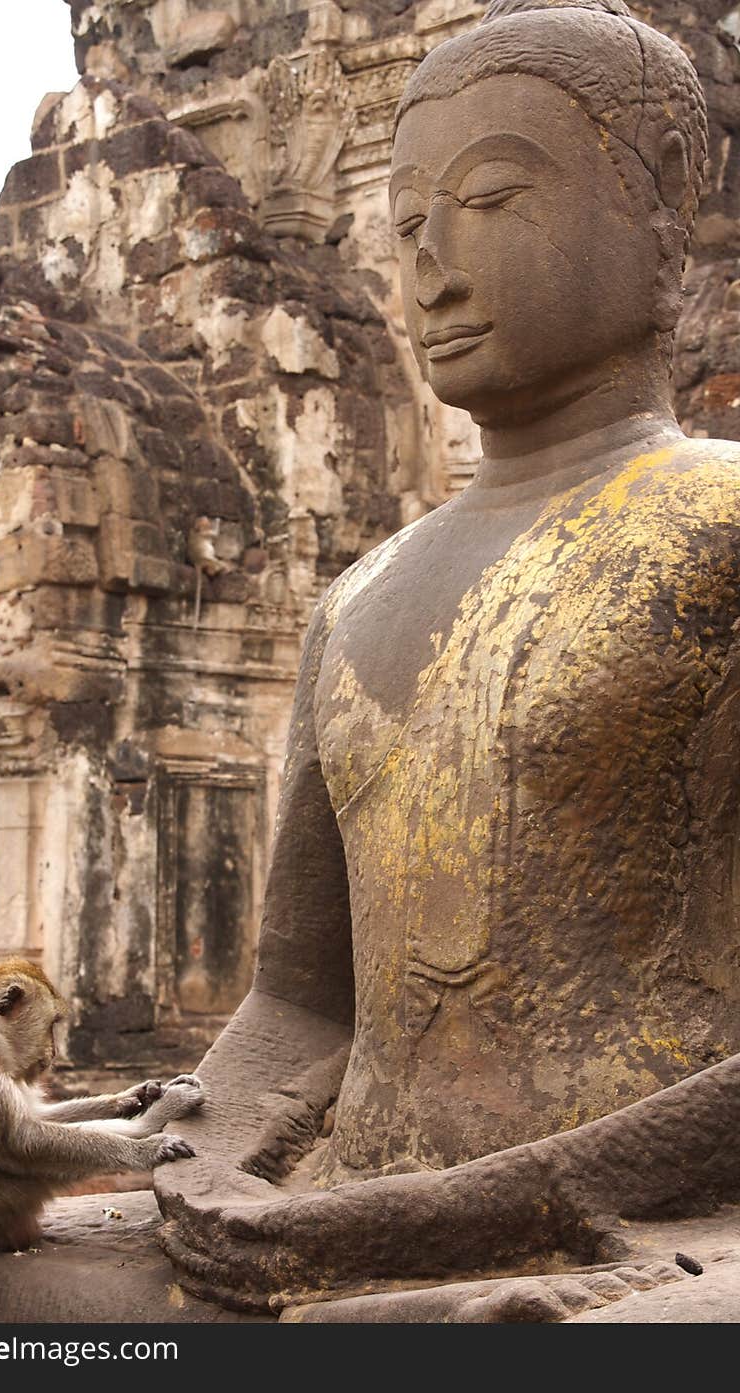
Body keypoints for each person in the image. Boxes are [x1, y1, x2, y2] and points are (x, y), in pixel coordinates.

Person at [152, 0, 740, 1308]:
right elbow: (301, 1010)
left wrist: (489, 1201)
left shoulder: (722, 524)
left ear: (661, 223)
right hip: (352, 1215)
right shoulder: (357, 597)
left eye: (488, 199)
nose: (430, 263)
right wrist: (200, 1155)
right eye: (407, 222)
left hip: (659, 1236)